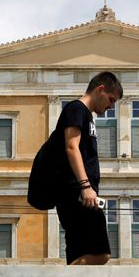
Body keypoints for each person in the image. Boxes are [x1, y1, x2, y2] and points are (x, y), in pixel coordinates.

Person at [53, 71, 123, 265]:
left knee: (79, 254)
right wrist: (85, 186)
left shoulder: (87, 117)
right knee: (101, 253)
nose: (110, 106)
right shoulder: (77, 109)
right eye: (111, 99)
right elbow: (71, 146)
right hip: (77, 194)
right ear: (100, 89)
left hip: (80, 193)